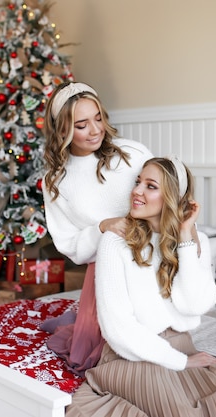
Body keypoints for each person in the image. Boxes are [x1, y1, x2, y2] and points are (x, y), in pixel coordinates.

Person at [67, 157, 216, 417]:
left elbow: (195, 305)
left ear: (172, 197)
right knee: (180, 409)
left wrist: (186, 238)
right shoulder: (115, 241)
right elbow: (118, 328)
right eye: (138, 182)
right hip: (129, 356)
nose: (137, 191)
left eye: (150, 186)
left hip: (181, 346)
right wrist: (181, 363)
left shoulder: (193, 239)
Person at [41, 81, 153, 376]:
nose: (95, 130)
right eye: (81, 124)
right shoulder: (55, 180)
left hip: (148, 262)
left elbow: (165, 197)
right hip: (104, 270)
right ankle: (78, 321)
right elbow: (69, 244)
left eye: (98, 118)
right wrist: (102, 227)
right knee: (102, 357)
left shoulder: (132, 153)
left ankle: (76, 319)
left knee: (152, 350)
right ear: (62, 130)